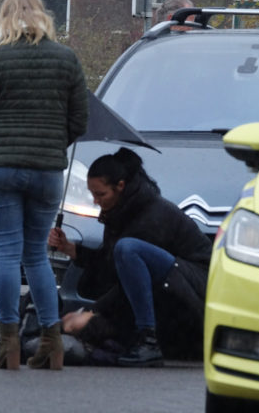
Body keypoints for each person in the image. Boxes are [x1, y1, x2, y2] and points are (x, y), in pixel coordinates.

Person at [0, 0, 88, 371]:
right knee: (36, 255)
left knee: (4, 253)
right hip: (48, 170)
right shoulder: (66, 59)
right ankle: (52, 341)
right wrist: (49, 148)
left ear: (3, 19)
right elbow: (78, 122)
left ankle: (10, 343)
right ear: (42, 16)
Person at [48, 148, 211, 367]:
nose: (96, 201)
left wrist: (91, 313)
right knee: (125, 251)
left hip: (199, 289)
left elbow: (130, 284)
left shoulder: (152, 215)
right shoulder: (120, 210)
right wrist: (71, 249)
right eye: (92, 194)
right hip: (175, 281)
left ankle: (149, 339)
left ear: (121, 186)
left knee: (128, 248)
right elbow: (111, 267)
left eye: (101, 195)